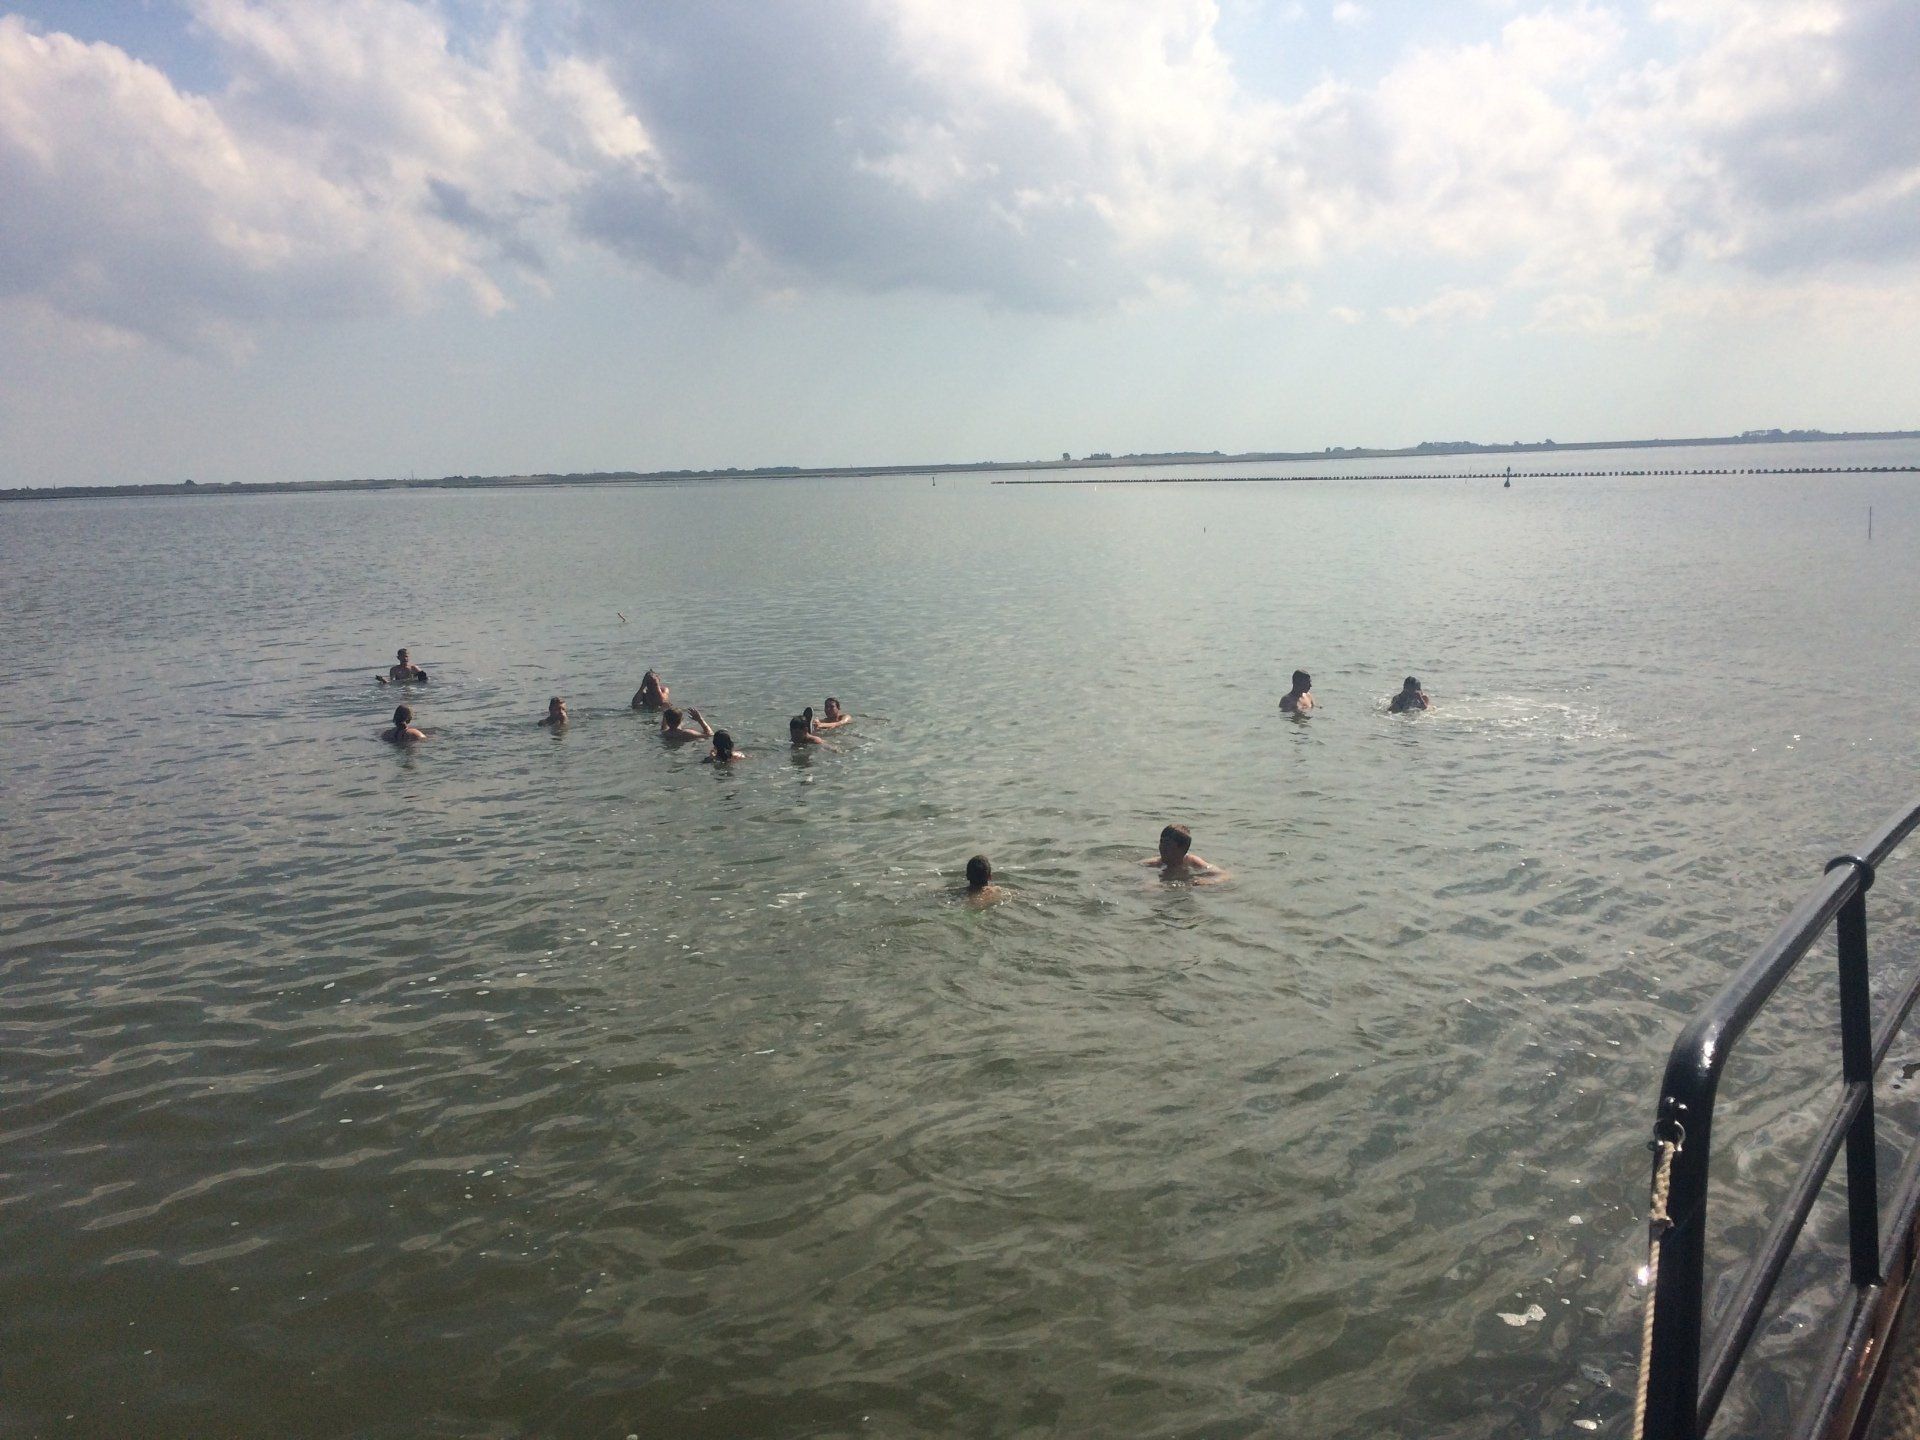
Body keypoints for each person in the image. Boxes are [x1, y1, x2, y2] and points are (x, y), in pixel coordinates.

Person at [1142, 823, 1225, 882]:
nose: (1162, 848)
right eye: (1161, 842)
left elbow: (1224, 875)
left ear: (1182, 849)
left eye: (1168, 845)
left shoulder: (1191, 861)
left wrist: (1209, 881)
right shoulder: (1156, 863)